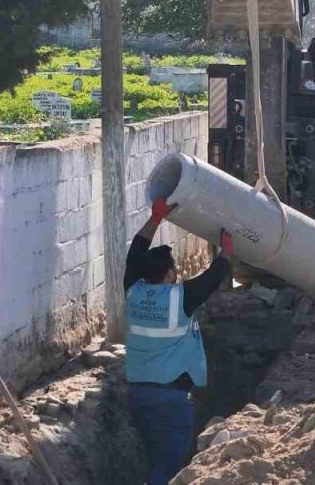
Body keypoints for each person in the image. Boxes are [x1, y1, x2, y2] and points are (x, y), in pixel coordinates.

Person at [124, 198, 234, 484]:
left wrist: (155, 219)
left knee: (157, 460)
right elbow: (215, 276)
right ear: (170, 273)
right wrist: (227, 251)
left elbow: (135, 252)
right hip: (170, 401)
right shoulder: (178, 298)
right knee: (169, 468)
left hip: (138, 396)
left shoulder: (133, 290)